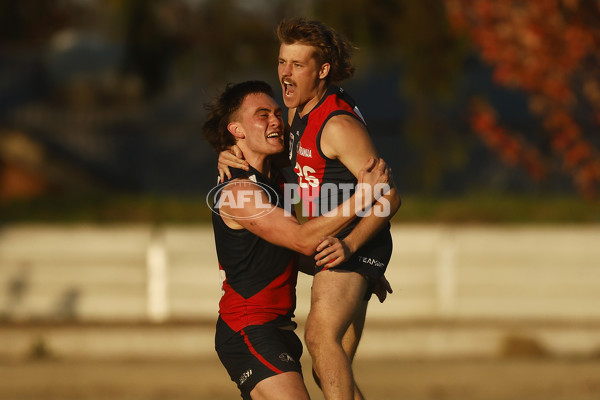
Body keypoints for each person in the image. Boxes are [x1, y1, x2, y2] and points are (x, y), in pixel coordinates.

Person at [218, 18, 402, 400]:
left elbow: (389, 196)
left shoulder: (337, 124)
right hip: (337, 246)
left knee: (320, 338)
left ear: (322, 71)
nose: (285, 72)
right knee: (330, 371)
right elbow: (267, 162)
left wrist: (353, 250)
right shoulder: (297, 114)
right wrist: (229, 151)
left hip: (350, 242)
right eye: (282, 62)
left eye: (297, 65)